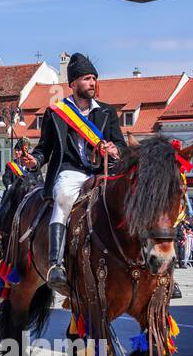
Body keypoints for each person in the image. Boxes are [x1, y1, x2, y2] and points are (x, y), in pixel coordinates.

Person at [26, 53, 126, 295]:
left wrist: (114, 149)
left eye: (94, 78)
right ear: (73, 83)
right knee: (63, 198)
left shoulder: (107, 112)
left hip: (102, 172)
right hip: (70, 171)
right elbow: (45, 149)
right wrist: (34, 161)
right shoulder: (56, 113)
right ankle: (55, 264)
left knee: (128, 201)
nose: (92, 83)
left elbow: (122, 146)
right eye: (87, 78)